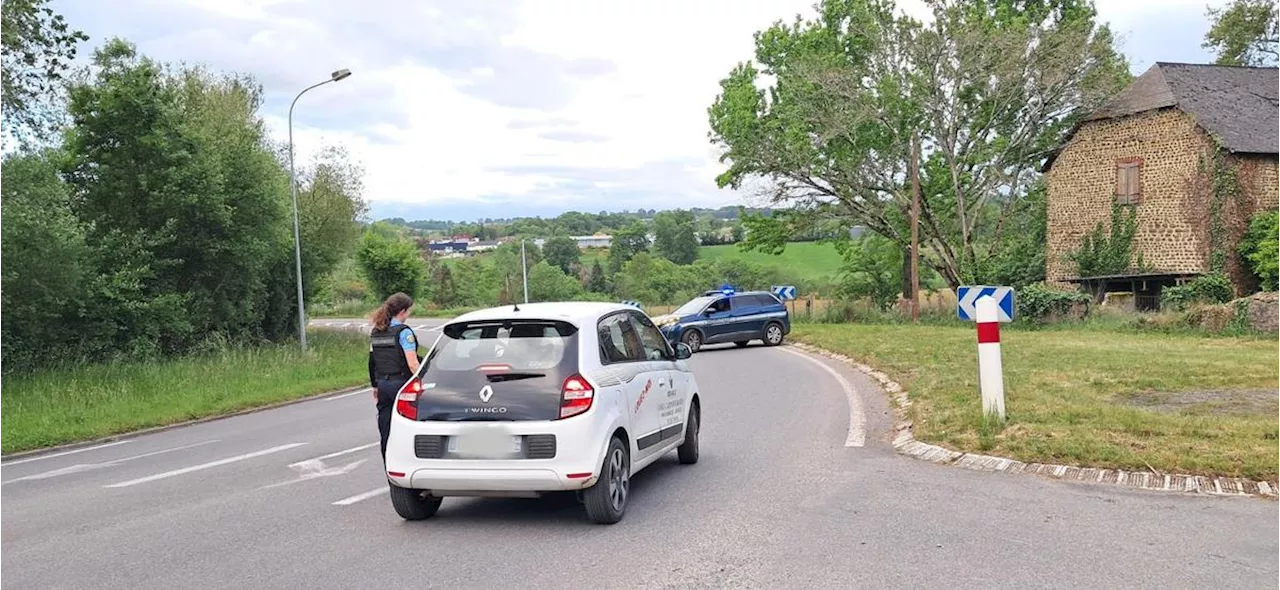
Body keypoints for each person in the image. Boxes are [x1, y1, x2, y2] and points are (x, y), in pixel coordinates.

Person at [367, 292, 422, 461]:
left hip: (383, 384)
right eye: (409, 311)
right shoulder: (404, 333)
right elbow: (412, 364)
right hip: (401, 385)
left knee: (386, 427)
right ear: (403, 311)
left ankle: (389, 463)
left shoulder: (377, 331)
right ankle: (408, 463)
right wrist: (423, 382)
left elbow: (372, 361)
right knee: (408, 426)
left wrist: (375, 386)